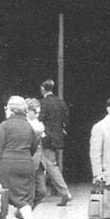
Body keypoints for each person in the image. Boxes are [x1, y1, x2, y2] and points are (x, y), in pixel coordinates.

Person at [39, 78, 72, 206]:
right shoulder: (60, 102)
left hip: (45, 138)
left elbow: (40, 119)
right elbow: (66, 120)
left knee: (49, 166)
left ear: (43, 88)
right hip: (57, 138)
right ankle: (41, 192)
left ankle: (64, 192)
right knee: (47, 165)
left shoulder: (43, 103)